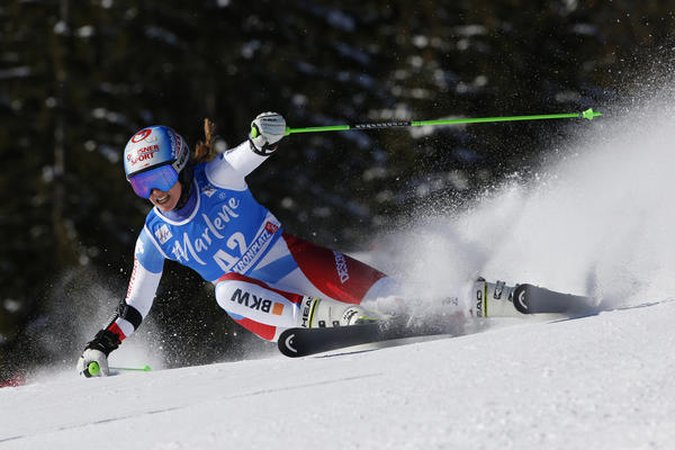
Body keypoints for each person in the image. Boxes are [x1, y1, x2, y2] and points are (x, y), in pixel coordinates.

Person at [76, 112, 523, 377]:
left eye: (158, 178)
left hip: (297, 262)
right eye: (141, 186)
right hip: (270, 310)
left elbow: (251, 151)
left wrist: (265, 134)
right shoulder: (154, 236)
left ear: (178, 166)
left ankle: (471, 298)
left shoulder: (218, 177)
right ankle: (326, 319)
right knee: (226, 290)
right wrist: (102, 344)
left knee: (393, 296)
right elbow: (134, 305)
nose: (154, 193)